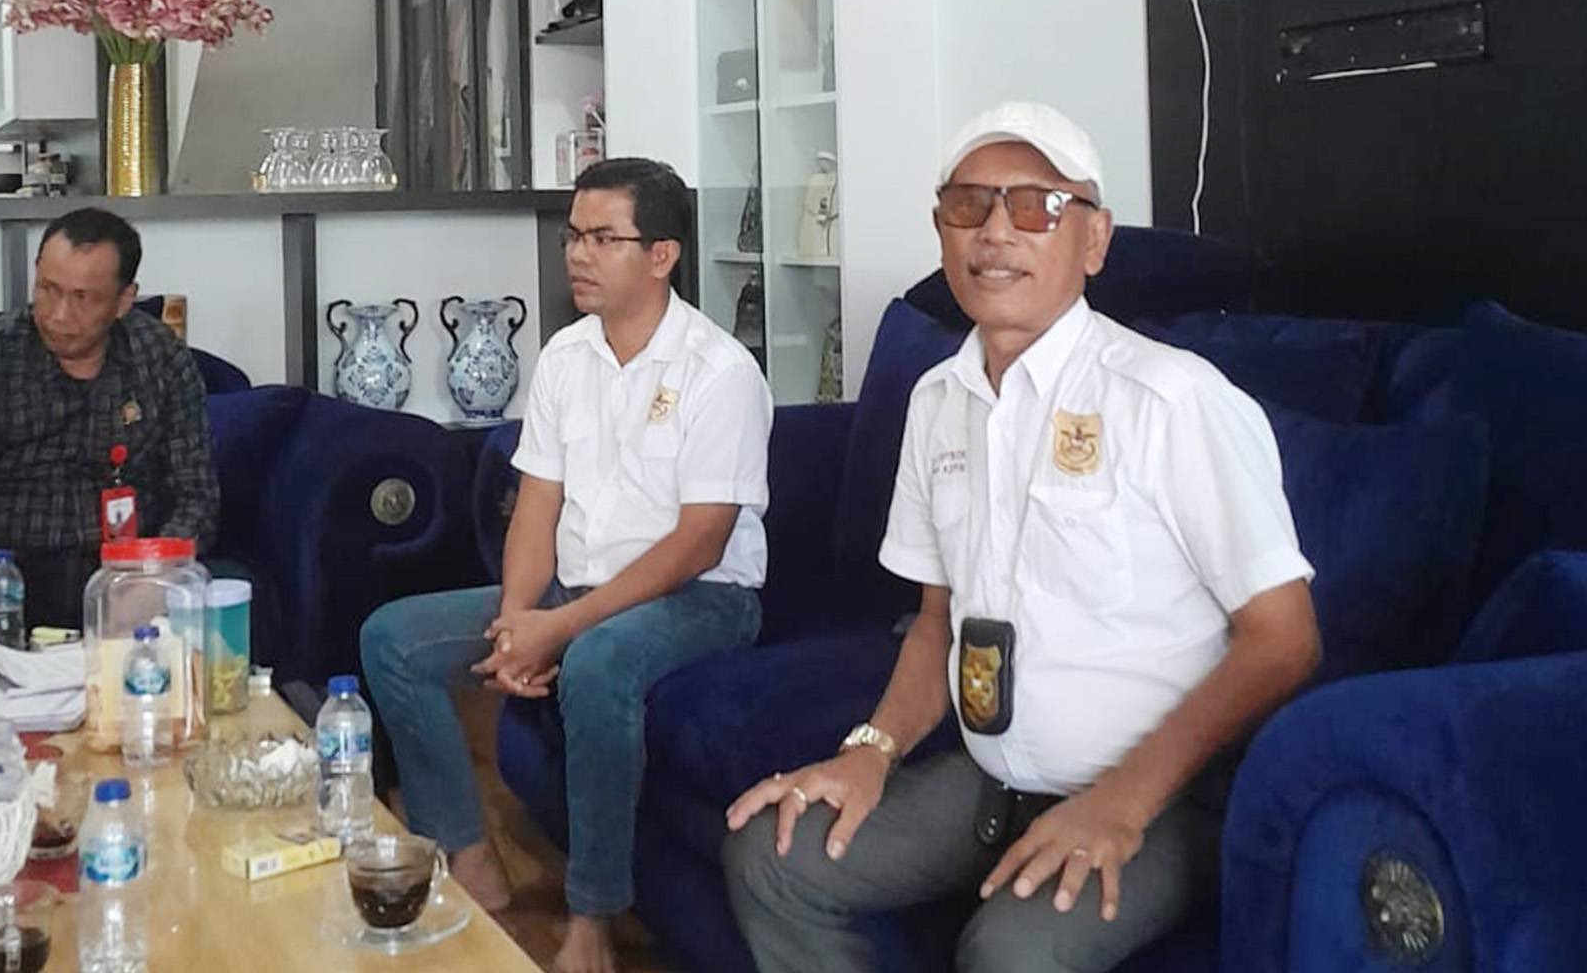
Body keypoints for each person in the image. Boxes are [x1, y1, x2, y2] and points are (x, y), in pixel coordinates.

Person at [722, 101, 1321, 973]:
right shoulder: (938, 402)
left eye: (1039, 205)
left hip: (1159, 794)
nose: (997, 231)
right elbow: (937, 622)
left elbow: (1285, 640)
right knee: (773, 857)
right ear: (942, 231)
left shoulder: (1173, 400)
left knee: (1011, 954)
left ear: (1094, 239)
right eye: (970, 204)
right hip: (993, 778)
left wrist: (1120, 803)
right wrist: (870, 752)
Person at [361, 158, 774, 973]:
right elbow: (537, 504)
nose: (578, 255)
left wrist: (560, 629)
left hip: (701, 596)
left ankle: (594, 915)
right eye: (573, 236)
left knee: (597, 660)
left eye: (603, 238)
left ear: (661, 256)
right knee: (392, 638)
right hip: (572, 587)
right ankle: (467, 853)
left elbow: (701, 541)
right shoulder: (565, 355)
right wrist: (520, 617)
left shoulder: (720, 371)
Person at [0, 207, 219, 628]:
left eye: (82, 298)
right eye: (48, 289)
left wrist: (155, 572)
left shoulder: (160, 357)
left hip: (123, 571)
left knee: (204, 607)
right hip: (6, 574)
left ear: (124, 300)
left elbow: (196, 492)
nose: (59, 314)